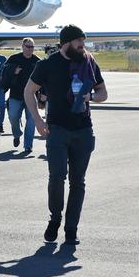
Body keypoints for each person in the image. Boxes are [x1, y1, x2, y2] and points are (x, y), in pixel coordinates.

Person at [24, 24, 108, 245]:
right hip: (57, 130)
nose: (83, 45)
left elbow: (103, 92)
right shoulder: (48, 65)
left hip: (83, 130)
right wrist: (38, 120)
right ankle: (55, 219)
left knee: (78, 182)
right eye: (79, 41)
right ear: (66, 42)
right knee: (56, 177)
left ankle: (71, 228)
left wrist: (90, 96)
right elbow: (29, 91)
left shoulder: (88, 62)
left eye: (84, 41)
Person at [0, 37, 40, 152]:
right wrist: (13, 71)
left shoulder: (37, 61)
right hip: (16, 95)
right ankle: (17, 134)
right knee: (13, 117)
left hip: (32, 96)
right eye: (28, 47)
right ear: (22, 47)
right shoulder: (13, 58)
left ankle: (28, 145)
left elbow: (43, 79)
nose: (30, 49)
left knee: (32, 120)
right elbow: (3, 73)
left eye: (32, 47)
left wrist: (43, 94)